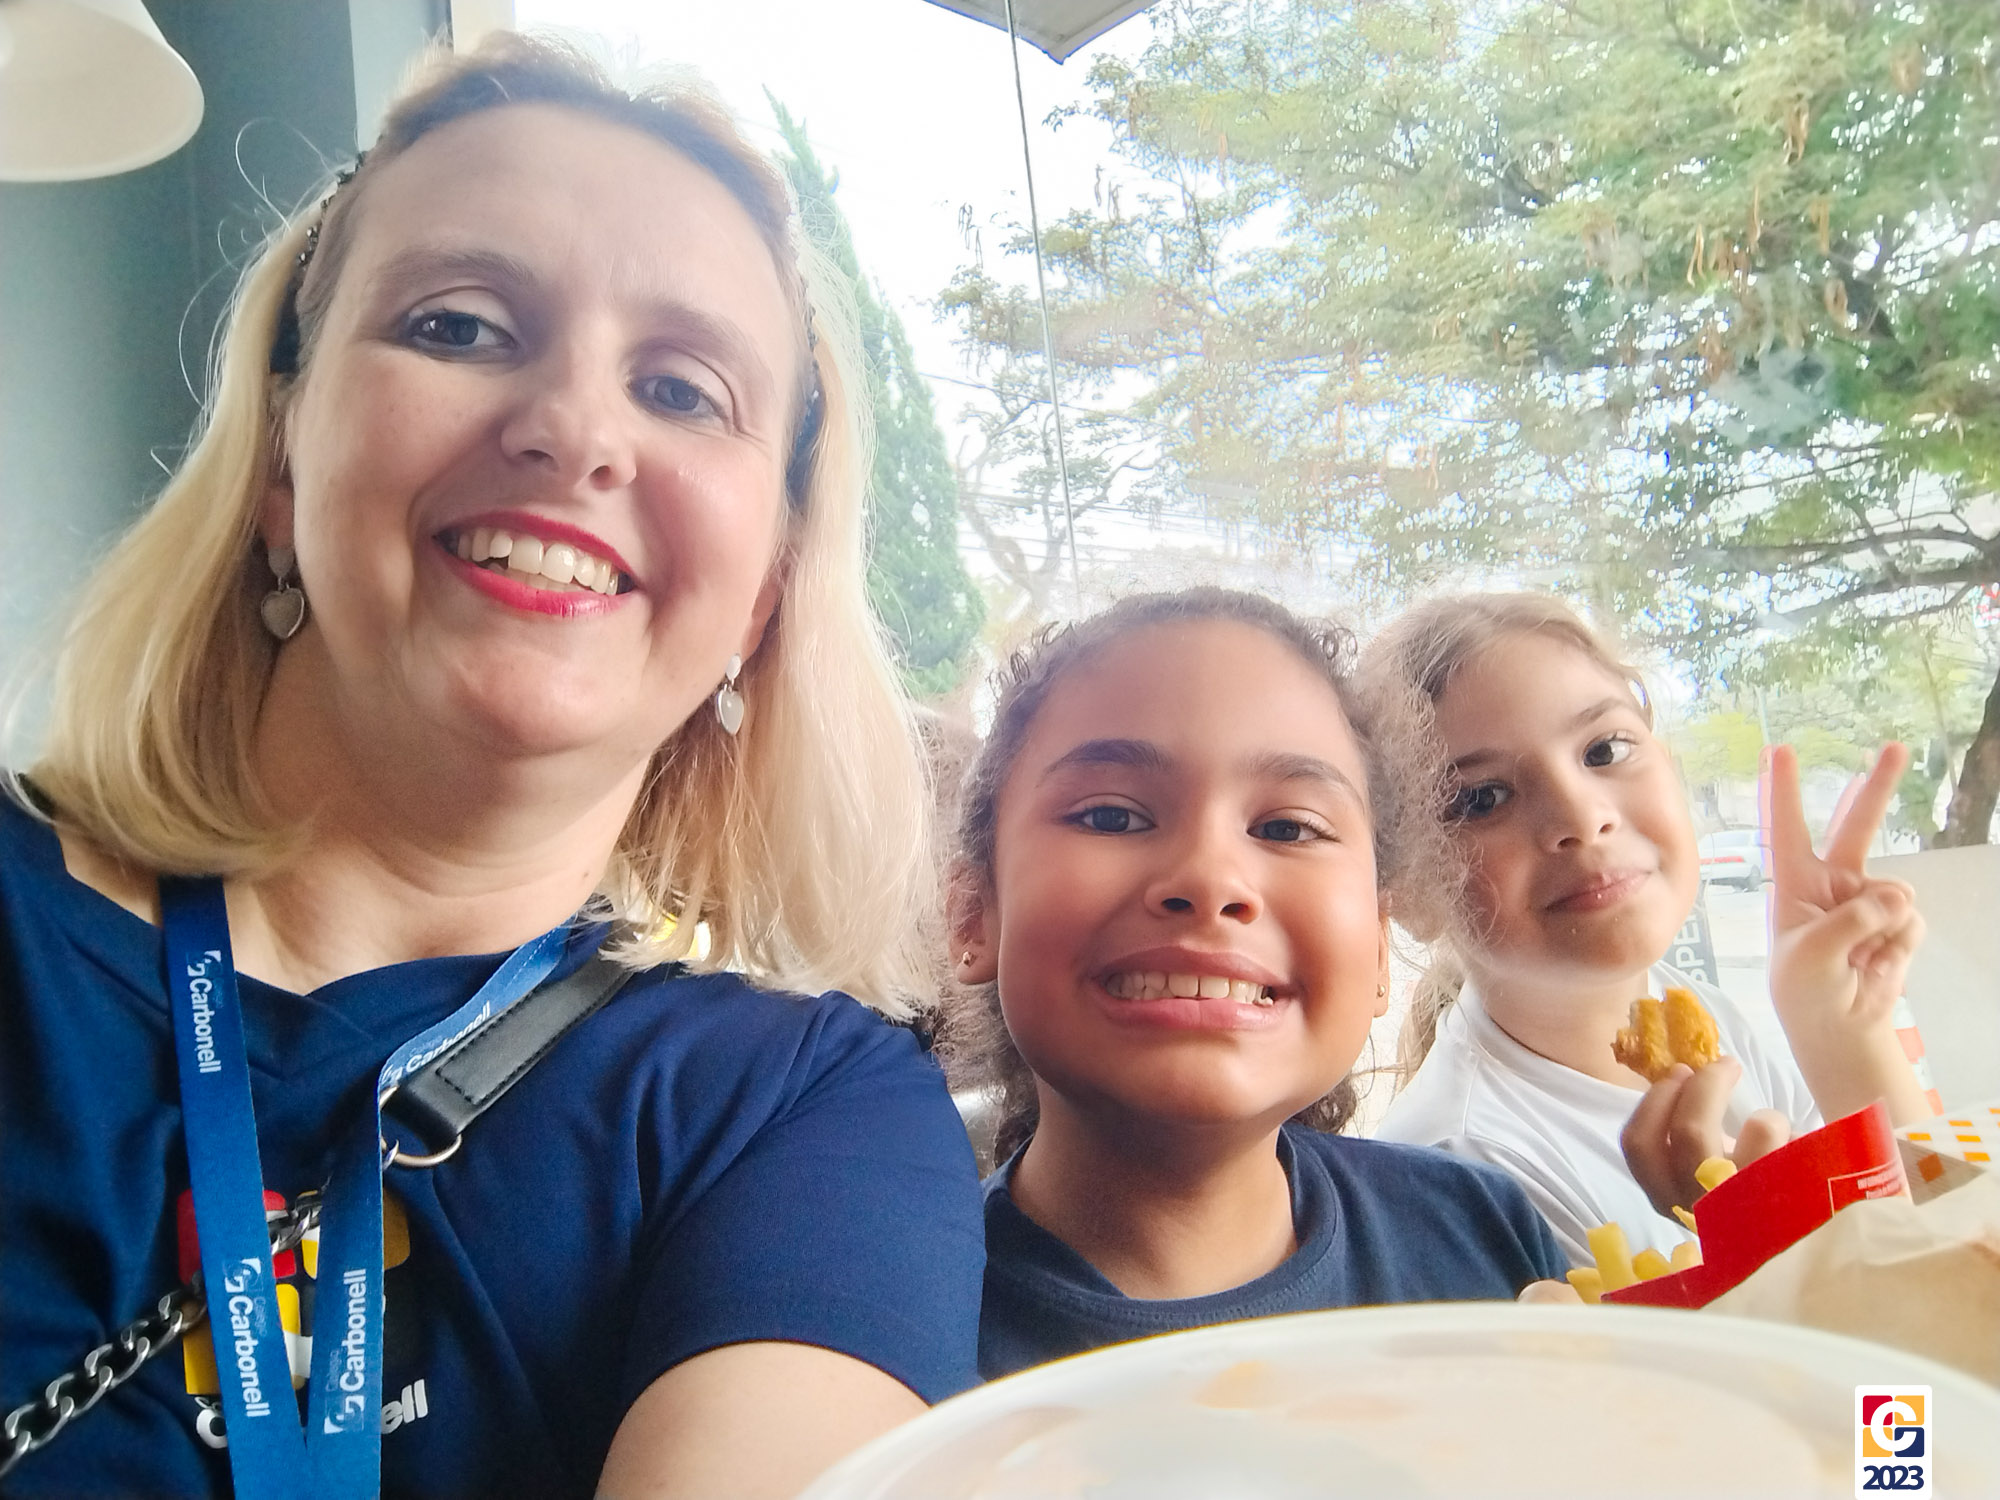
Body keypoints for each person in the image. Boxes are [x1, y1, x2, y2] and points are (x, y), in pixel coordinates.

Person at [0, 35, 984, 1500]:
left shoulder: (802, 1111)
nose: (575, 432)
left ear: (763, 595)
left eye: (683, 390)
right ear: (280, 461)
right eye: (459, 326)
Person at [940, 589, 1570, 1383]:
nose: (1210, 879)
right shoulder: (887, 1344)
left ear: (1379, 947)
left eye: (1286, 828)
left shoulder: (1485, 1237)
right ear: (973, 914)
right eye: (1111, 818)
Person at [1361, 593, 1931, 1268]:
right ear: (1408, 893)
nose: (1582, 816)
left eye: (1603, 750)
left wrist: (1844, 1033)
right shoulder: (1455, 1174)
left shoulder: (1707, 1016)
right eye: (1482, 798)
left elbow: (1948, 1255)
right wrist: (1747, 1243)